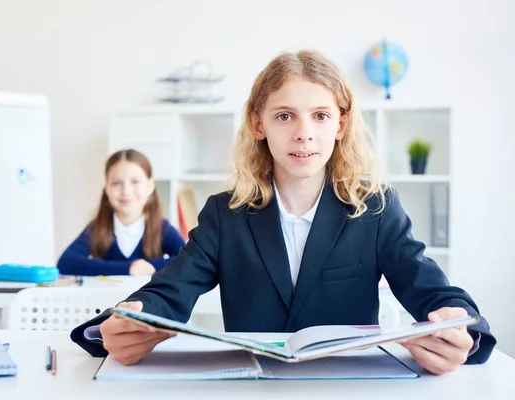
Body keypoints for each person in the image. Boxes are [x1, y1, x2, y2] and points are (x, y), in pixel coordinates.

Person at [71, 50, 496, 375]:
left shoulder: (375, 209)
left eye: (320, 115)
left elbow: (436, 293)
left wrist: (462, 331)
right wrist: (123, 322)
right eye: (285, 116)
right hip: (251, 386)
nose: (304, 133)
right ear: (259, 125)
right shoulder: (225, 215)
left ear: (341, 125)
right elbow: (167, 292)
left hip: (351, 389)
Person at [57, 149, 185, 276]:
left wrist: (151, 266)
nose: (126, 191)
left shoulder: (161, 227)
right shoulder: (97, 228)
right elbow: (66, 263)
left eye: (135, 182)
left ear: (150, 186)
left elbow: (188, 259)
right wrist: (127, 268)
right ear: (106, 188)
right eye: (116, 183)